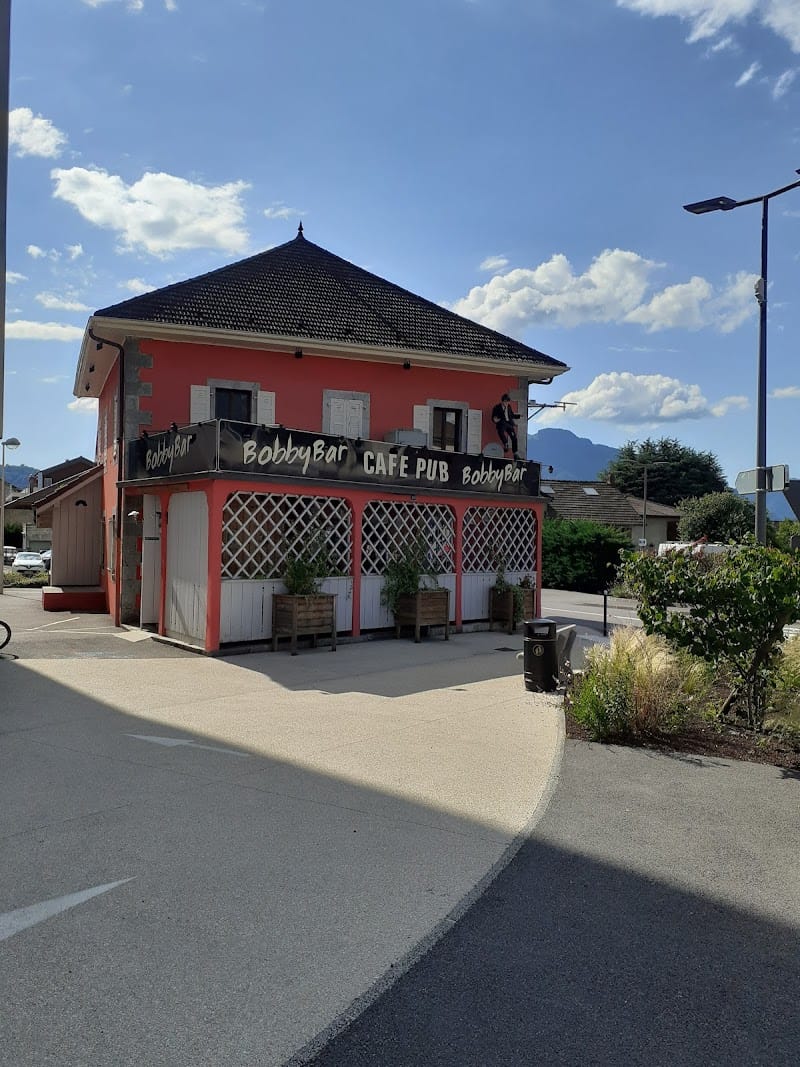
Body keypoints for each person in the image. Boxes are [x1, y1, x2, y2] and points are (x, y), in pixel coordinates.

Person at [491, 393, 521, 458]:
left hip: (509, 423)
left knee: (514, 437)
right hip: (502, 422)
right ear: (502, 401)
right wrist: (495, 419)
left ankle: (515, 452)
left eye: (508, 402)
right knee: (500, 431)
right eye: (505, 401)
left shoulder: (509, 407)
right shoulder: (497, 407)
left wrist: (519, 416)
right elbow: (494, 417)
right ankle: (505, 443)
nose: (507, 403)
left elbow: (511, 415)